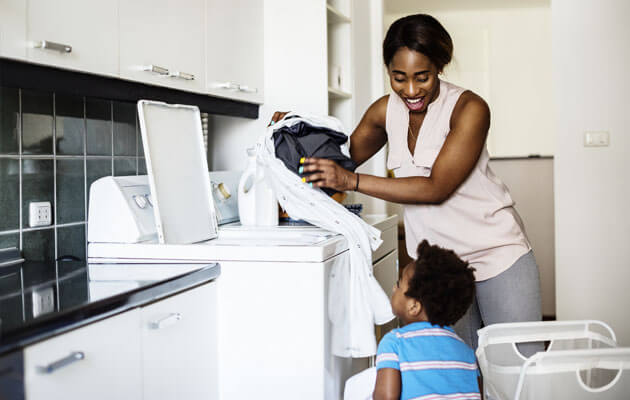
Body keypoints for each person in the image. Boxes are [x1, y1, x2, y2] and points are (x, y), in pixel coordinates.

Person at [270, 13, 542, 354]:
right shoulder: (384, 112)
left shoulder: (470, 109)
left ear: (440, 65)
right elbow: (337, 161)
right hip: (438, 267)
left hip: (497, 254)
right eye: (399, 78)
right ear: (388, 71)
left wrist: (351, 181)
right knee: (453, 372)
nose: (411, 90)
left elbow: (436, 187)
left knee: (519, 367)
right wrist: (295, 129)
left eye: (422, 77)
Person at [373, 240, 479, 400]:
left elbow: (386, 397)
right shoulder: (466, 351)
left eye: (399, 285)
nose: (394, 288)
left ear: (414, 306)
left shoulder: (395, 342)